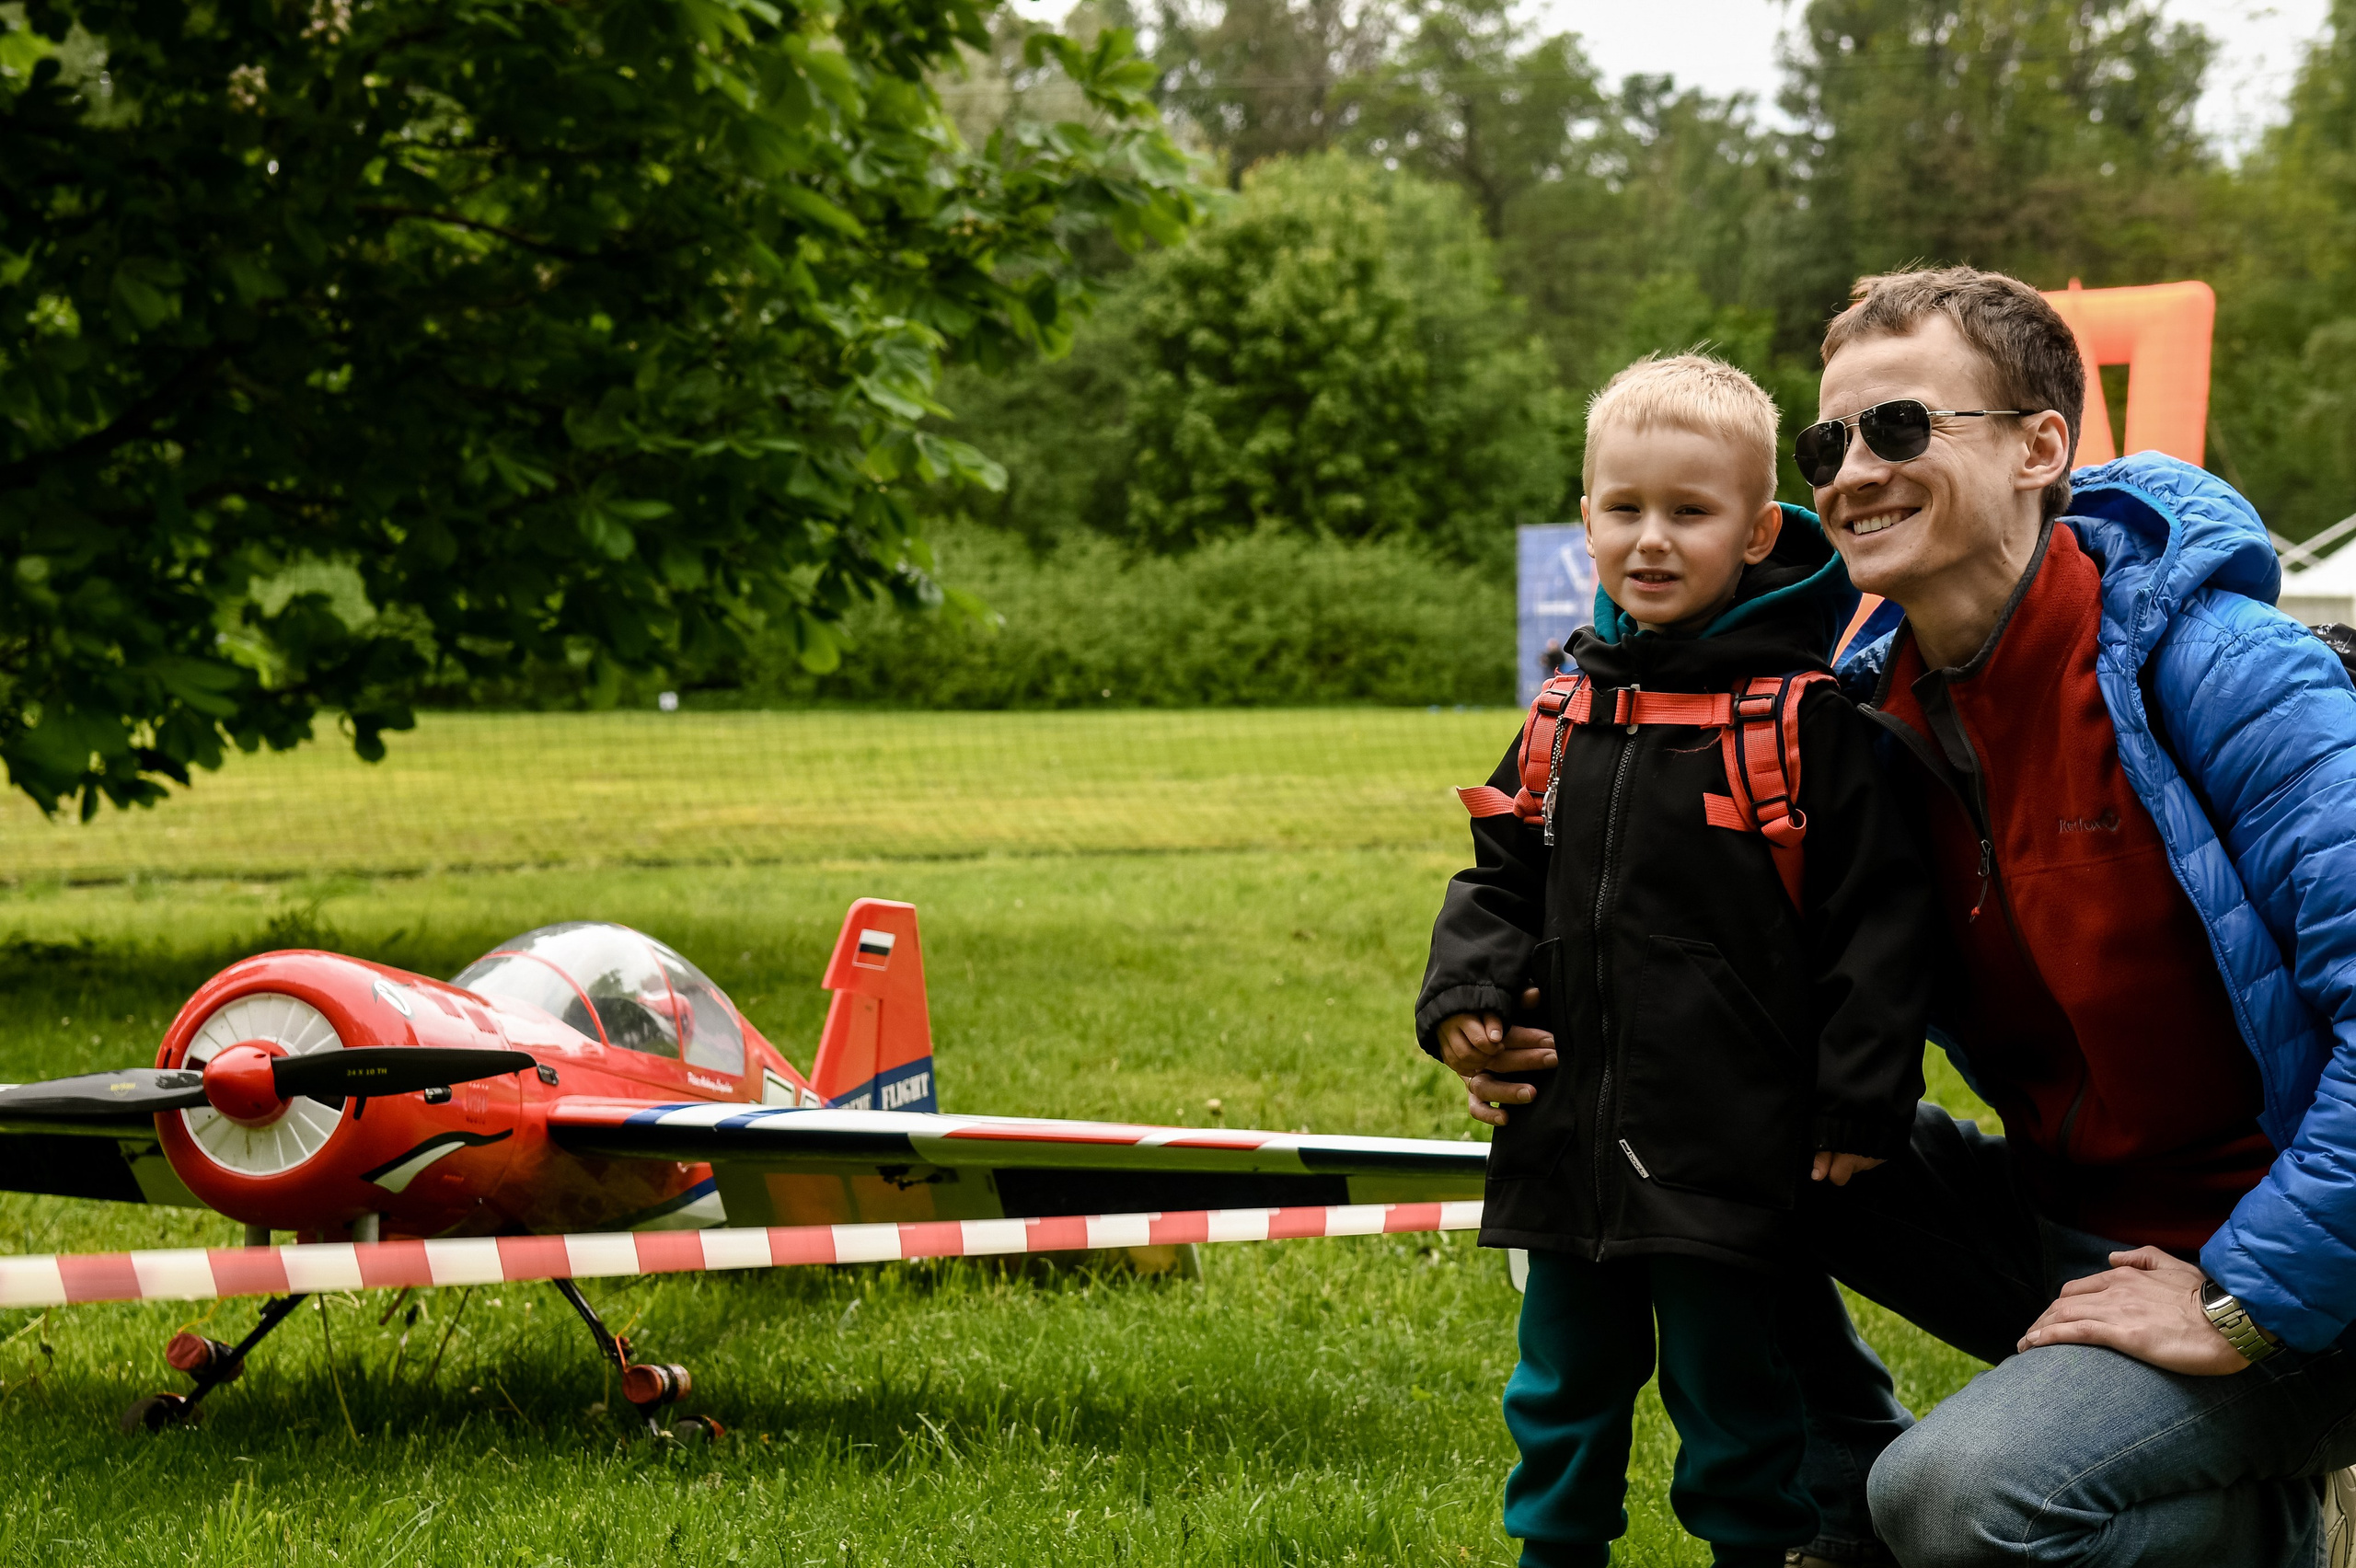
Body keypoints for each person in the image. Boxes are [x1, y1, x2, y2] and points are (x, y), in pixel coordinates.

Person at [1451, 268, 2356, 1567]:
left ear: (2045, 446)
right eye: (1830, 444)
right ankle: (1842, 1507)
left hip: (2296, 1268)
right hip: (2072, 1232)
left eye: (1902, 428)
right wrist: (1536, 1035)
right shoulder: (1865, 718)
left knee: (1958, 1499)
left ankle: (2217, 1524)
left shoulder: (2224, 671)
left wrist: (2250, 1304)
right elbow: (1700, 939)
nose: (1855, 472)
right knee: (1694, 1142)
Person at [1415, 353, 1941, 1568]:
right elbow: (1498, 875)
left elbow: (1883, 921)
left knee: (1735, 1405)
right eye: (1623, 509)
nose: (1651, 542)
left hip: (1730, 1144)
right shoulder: (1565, 709)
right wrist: (1466, 1000)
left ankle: (1758, 1551)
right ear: (1587, 512)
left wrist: (1861, 1094)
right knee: (1559, 1398)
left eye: (1690, 513)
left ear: (1759, 531)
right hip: (1567, 1137)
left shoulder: (1804, 721)